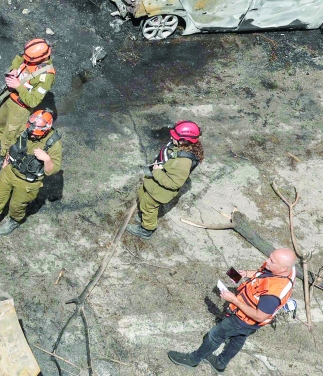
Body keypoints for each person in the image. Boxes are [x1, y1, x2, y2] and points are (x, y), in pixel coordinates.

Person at [168, 249, 297, 372]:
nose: (267, 260)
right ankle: (220, 364)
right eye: (270, 257)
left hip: (244, 320)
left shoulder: (272, 294)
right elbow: (262, 274)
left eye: (272, 261)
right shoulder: (286, 270)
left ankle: (193, 360)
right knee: (238, 338)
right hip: (248, 324)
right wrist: (246, 273)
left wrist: (234, 300)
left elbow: (259, 316)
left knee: (215, 335)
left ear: (283, 268)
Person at [0, 110, 62, 237]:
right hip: (10, 172)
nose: (31, 134)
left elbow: (52, 170)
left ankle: (15, 221)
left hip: (27, 182)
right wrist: (6, 162)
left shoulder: (53, 144)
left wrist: (46, 159)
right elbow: (14, 144)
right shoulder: (25, 129)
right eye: (30, 129)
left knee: (17, 205)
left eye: (35, 134)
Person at [127, 121, 203, 240]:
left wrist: (156, 171)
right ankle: (144, 215)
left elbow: (174, 183)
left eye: (175, 136)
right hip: (153, 183)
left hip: (159, 191)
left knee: (149, 208)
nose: (171, 137)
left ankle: (146, 229)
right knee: (142, 196)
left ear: (183, 140)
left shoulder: (183, 162)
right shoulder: (179, 146)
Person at [0, 38, 55, 153]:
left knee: (10, 136)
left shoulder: (46, 76)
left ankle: (2, 156)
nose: (26, 60)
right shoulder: (31, 53)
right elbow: (18, 58)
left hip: (20, 108)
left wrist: (18, 86)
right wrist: (14, 69)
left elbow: (33, 102)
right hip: (9, 97)